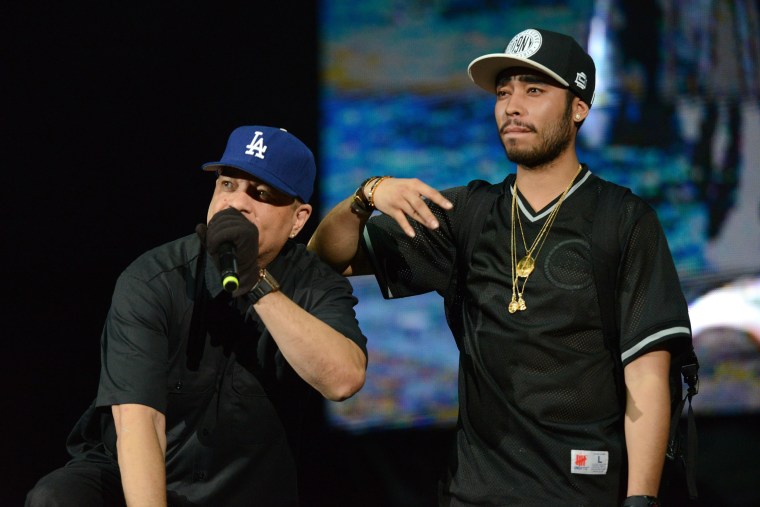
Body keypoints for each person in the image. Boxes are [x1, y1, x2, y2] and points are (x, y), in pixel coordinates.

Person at [308, 28, 692, 507]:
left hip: (584, 491)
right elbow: (328, 258)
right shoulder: (467, 213)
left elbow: (648, 376)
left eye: (534, 90)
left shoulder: (624, 219)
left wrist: (641, 500)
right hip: (475, 493)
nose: (513, 106)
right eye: (504, 92)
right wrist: (366, 195)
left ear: (579, 108)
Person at [26, 125, 368, 507]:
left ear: (298, 220)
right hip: (137, 482)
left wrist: (255, 281)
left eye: (260, 194)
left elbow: (343, 380)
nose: (236, 203)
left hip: (246, 490)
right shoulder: (153, 279)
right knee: (55, 498)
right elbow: (139, 422)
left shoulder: (314, 284)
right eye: (227, 185)